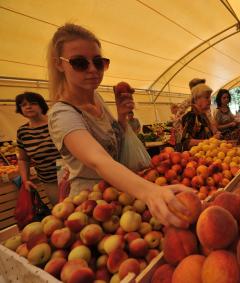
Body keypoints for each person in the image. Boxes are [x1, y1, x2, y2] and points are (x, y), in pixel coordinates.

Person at [46, 23, 189, 228]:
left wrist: (122, 118)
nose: (93, 69)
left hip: (119, 197)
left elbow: (114, 147)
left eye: (98, 61)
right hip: (89, 209)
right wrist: (150, 191)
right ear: (59, 64)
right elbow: (98, 160)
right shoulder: (62, 114)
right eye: (79, 63)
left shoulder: (96, 98)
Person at [15, 92, 62, 204]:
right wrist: (25, 180)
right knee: (60, 209)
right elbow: (23, 159)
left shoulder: (56, 123)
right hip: (49, 181)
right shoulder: (23, 132)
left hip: (72, 176)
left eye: (33, 103)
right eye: (23, 105)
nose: (28, 106)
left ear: (41, 105)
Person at [180, 83, 218, 150]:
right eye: (207, 97)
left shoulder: (202, 115)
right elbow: (186, 142)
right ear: (196, 99)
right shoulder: (191, 116)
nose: (210, 100)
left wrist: (214, 135)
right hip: (195, 157)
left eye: (210, 97)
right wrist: (211, 140)